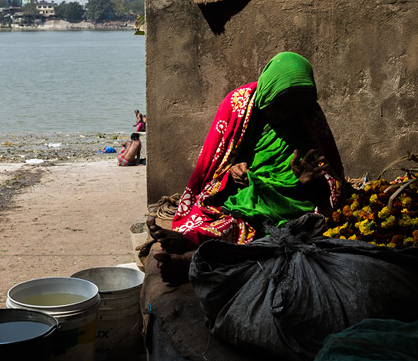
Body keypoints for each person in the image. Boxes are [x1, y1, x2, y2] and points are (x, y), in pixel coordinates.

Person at [146, 52, 345, 283]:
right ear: (267, 91)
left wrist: (311, 183)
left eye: (293, 109)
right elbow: (213, 163)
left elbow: (333, 181)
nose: (285, 115)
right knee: (228, 220)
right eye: (278, 106)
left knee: (280, 234)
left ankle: (189, 260)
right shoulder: (238, 105)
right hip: (243, 194)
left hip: (290, 202)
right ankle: (188, 239)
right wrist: (230, 173)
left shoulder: (308, 118)